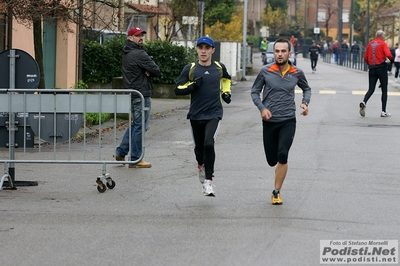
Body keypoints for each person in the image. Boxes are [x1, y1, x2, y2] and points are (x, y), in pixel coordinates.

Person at [250, 38, 311, 205]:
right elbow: (255, 92)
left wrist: (305, 103)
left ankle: (276, 191)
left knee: (282, 155)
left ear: (289, 54)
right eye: (277, 51)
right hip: (270, 121)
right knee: (272, 160)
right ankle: (277, 172)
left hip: (288, 120)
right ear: (274, 53)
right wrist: (262, 108)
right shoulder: (265, 71)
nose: (280, 54)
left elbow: (306, 88)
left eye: (283, 51)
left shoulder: (296, 72)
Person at [174, 36, 232, 197]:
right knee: (199, 149)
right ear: (197, 49)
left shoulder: (219, 67)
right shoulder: (191, 68)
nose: (204, 51)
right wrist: (192, 86)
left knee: (208, 143)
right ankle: (201, 164)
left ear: (213, 50)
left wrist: (226, 92)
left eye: (207, 48)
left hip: (214, 113)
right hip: (196, 114)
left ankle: (208, 182)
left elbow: (227, 79)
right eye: (201, 48)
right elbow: (178, 88)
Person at [115, 26, 161, 167]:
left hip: (133, 93)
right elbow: (156, 70)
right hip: (141, 94)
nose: (141, 38)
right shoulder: (139, 54)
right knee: (140, 126)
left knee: (136, 125)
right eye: (137, 35)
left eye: (142, 35)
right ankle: (135, 158)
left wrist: (146, 70)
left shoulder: (127, 52)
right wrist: (147, 70)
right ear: (130, 38)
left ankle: (121, 152)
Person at [360, 30, 393, 118]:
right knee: (384, 89)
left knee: (371, 89)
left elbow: (365, 57)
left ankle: (364, 102)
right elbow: (388, 54)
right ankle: (383, 111)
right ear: (382, 36)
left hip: (372, 69)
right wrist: (391, 61)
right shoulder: (383, 44)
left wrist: (369, 64)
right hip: (381, 68)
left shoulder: (370, 44)